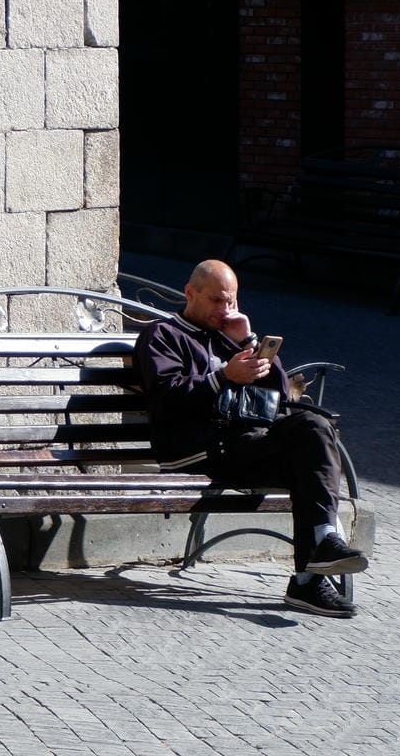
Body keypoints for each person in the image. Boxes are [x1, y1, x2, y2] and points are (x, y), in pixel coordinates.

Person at [134, 259, 368, 617]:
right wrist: (222, 377)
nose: (224, 309)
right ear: (190, 293)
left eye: (231, 301)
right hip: (197, 449)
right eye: (215, 300)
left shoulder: (229, 336)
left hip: (243, 445)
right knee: (310, 453)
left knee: (314, 431)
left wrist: (248, 341)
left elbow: (281, 395)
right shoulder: (162, 335)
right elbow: (167, 399)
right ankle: (311, 576)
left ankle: (316, 561)